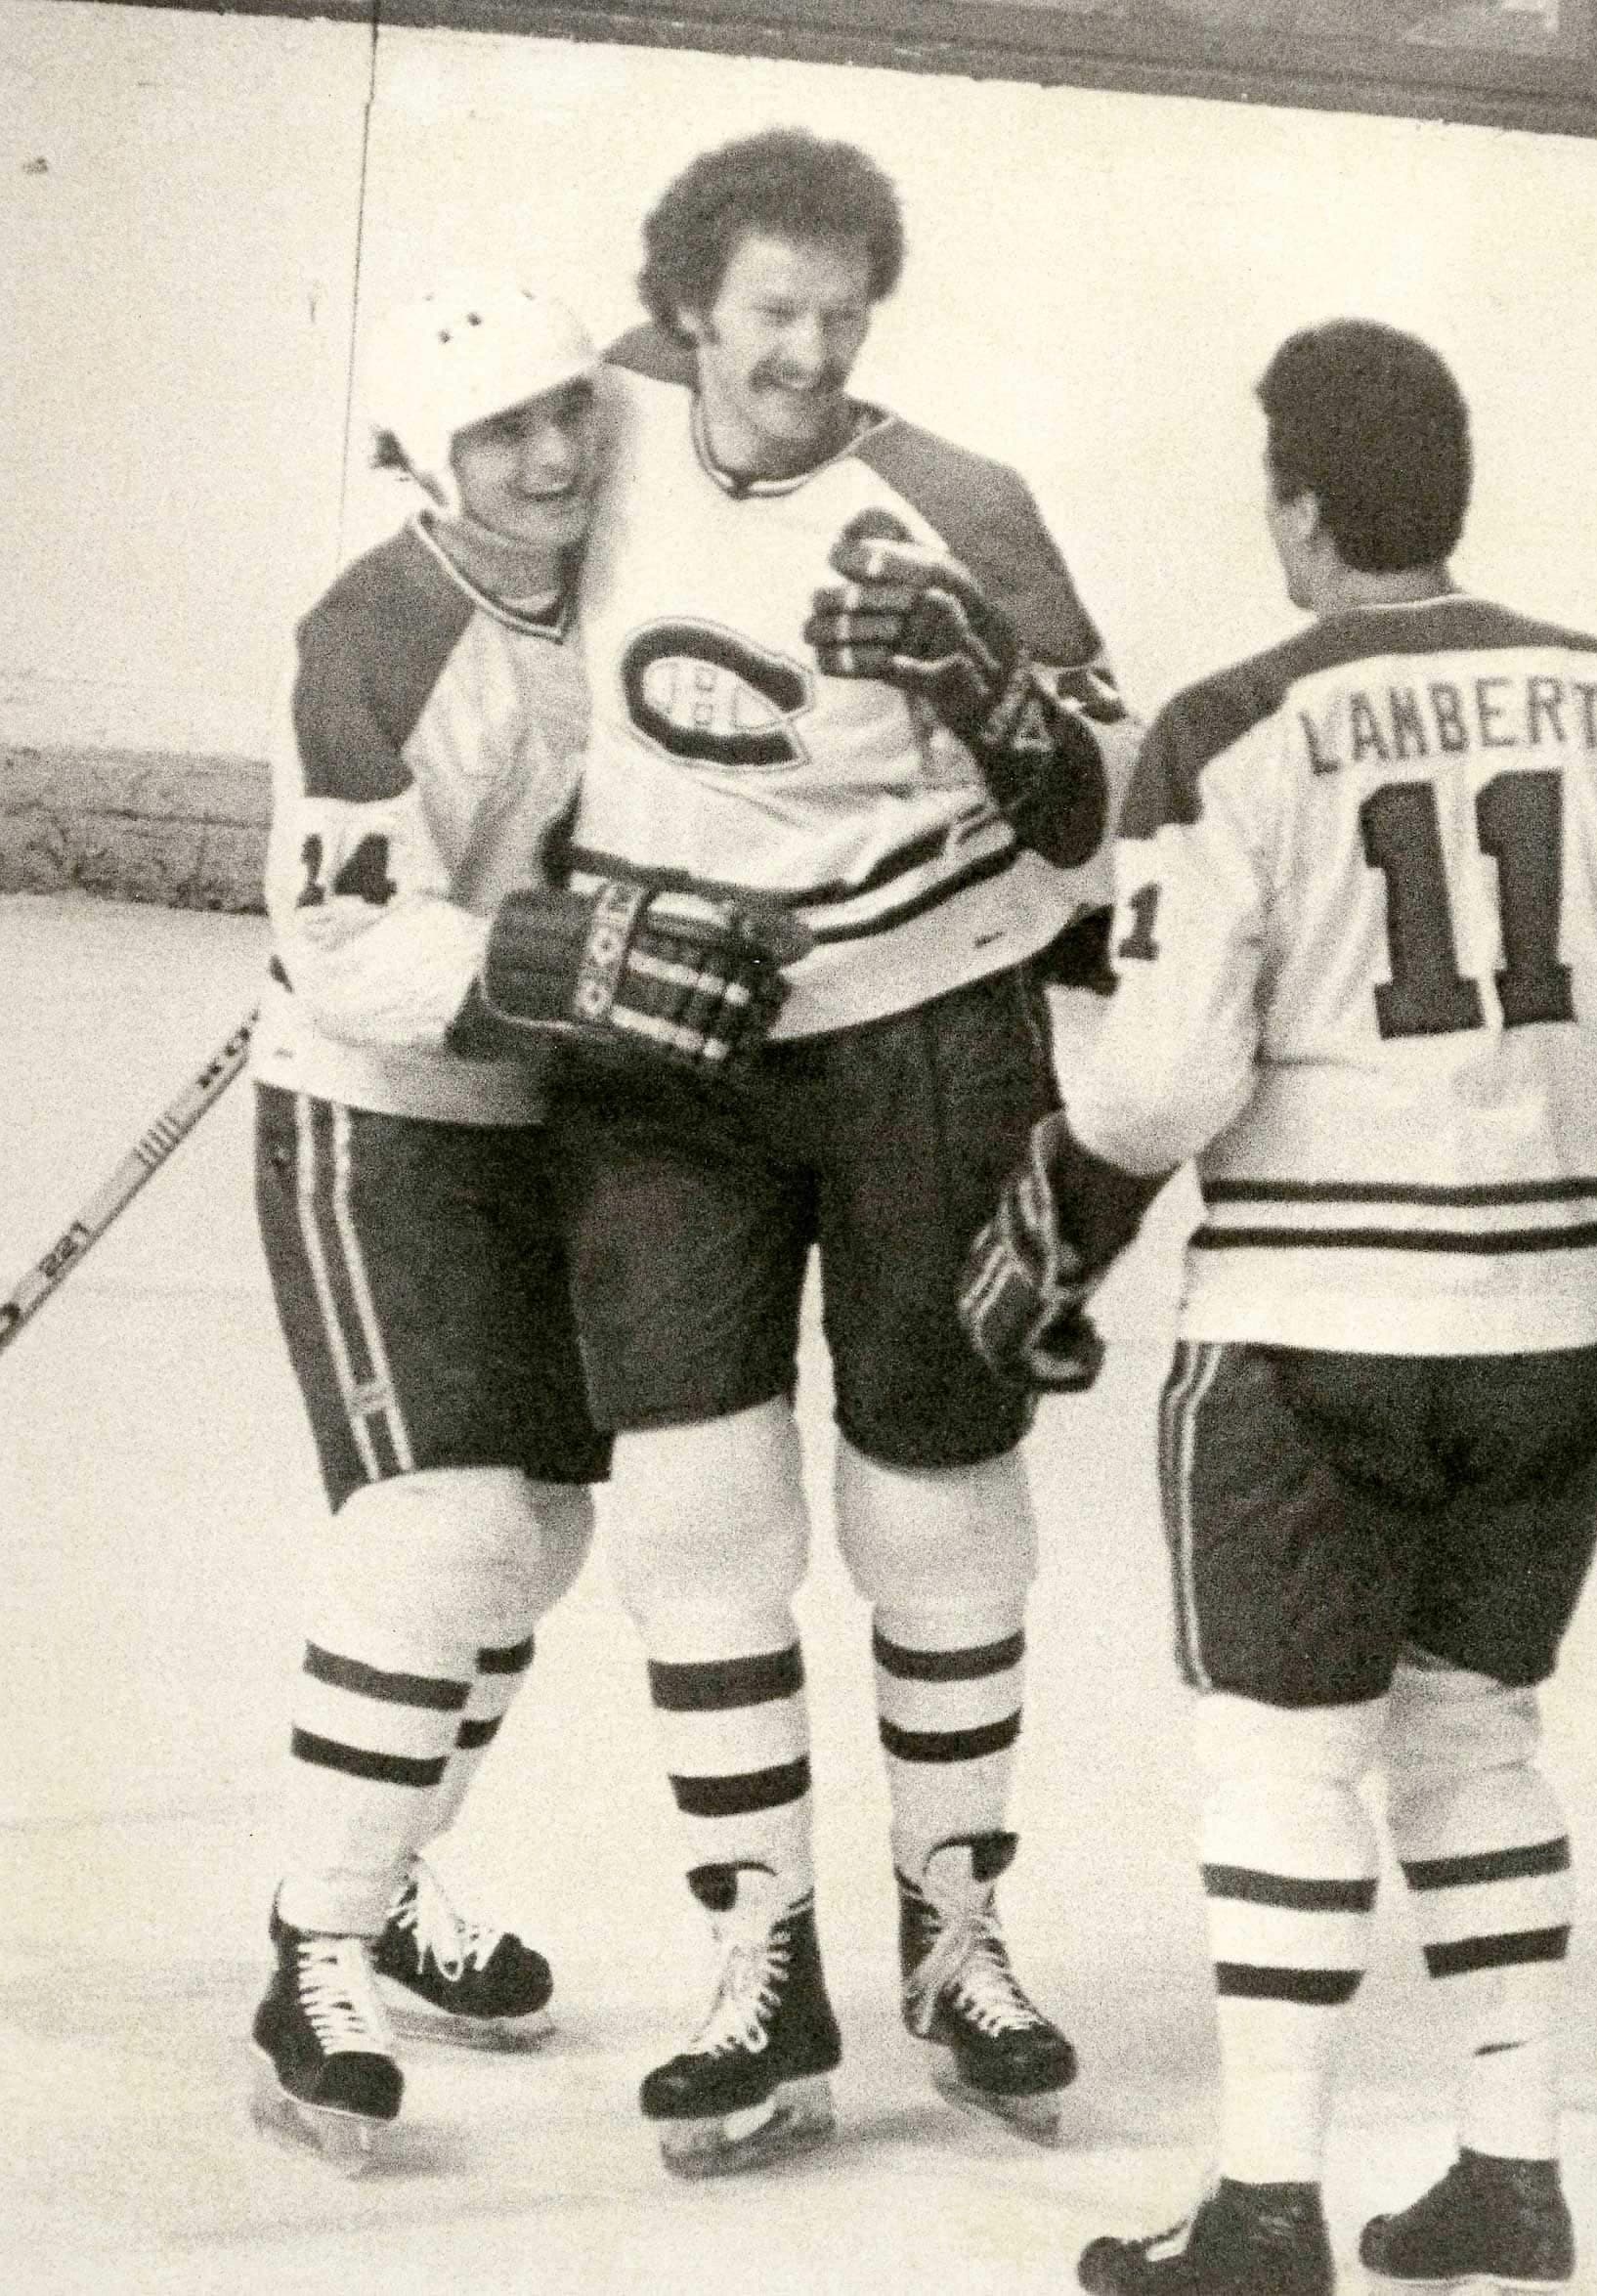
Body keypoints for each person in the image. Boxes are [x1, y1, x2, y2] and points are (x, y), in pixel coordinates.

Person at [961, 319, 1597, 2293]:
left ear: (1295, 502)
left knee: (1284, 1759)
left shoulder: (1232, 725)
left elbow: (1162, 1081)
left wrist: (1062, 1227)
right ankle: (1505, 2175)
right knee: (1472, 1733)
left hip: (1310, 1324)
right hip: (1555, 1318)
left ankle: (1269, 2204)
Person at [477, 127, 1139, 2177]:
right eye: (773, 310)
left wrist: (996, 691)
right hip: (661, 1038)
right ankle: (759, 1952)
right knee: (692, 1496)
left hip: (928, 1019)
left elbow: (1098, 811)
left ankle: (956, 1921)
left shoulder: (954, 503)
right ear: (689, 303)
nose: (810, 351)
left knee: (932, 1483)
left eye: (844, 314)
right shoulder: (590, 421)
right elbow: (448, 607)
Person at [245, 275, 617, 2174]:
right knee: (445, 1521)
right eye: (502, 433)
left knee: (538, 1535)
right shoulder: (376, 626)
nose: (552, 454)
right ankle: (313, 1944)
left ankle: (387, 1877)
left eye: (567, 410)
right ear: (424, 455)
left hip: (541, 1128)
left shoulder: (620, 572)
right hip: (375, 1121)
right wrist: (548, 953)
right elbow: (346, 941)